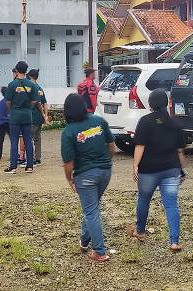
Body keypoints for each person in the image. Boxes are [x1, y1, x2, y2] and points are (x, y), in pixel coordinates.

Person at [129, 89, 187, 252]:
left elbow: (140, 145)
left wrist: (135, 166)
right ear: (168, 103)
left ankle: (140, 231)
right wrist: (181, 169)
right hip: (171, 169)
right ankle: (174, 241)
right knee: (171, 205)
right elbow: (180, 151)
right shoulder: (175, 124)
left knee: (144, 200)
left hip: (148, 170)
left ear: (150, 104)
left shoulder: (145, 121)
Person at [61, 93, 115, 262]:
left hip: (85, 175)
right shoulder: (99, 122)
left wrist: (69, 179)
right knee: (92, 207)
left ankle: (99, 251)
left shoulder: (68, 131)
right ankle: (85, 240)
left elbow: (68, 162)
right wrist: (105, 163)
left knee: (91, 211)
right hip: (105, 172)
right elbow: (111, 146)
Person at [4, 61, 37, 174]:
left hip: (15, 114)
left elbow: (7, 101)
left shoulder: (12, 84)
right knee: (28, 140)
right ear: (26, 71)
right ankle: (29, 166)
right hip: (27, 115)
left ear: (17, 70)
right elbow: (34, 101)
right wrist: (28, 109)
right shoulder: (31, 85)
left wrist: (11, 110)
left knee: (14, 141)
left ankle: (13, 166)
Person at [28, 69, 48, 165]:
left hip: (33, 116)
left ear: (30, 76)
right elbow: (45, 102)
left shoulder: (33, 88)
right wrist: (45, 115)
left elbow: (39, 103)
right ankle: (38, 158)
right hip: (39, 118)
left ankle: (31, 159)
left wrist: (43, 114)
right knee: (37, 138)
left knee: (29, 138)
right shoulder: (40, 88)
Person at [0, 86, 10, 161]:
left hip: (1, 123)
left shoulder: (0, 103)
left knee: (1, 140)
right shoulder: (10, 102)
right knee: (13, 139)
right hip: (9, 122)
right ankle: (15, 154)